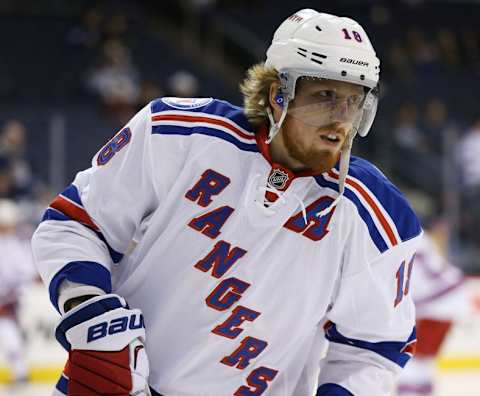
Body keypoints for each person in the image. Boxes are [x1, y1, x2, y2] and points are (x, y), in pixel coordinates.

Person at [32, 9, 422, 396]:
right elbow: (77, 224)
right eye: (325, 96)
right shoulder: (177, 134)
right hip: (114, 383)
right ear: (278, 94)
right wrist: (89, 308)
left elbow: (374, 348)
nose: (341, 119)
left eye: (353, 102)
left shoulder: (378, 214)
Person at [396, 226, 470, 396]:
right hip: (446, 300)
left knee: (412, 363)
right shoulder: (412, 230)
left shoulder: (394, 237)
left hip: (439, 304)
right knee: (420, 362)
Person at [0, 199, 36, 385]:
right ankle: (20, 371)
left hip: (13, 300)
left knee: (11, 336)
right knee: (10, 336)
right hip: (10, 299)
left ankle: (21, 371)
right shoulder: (12, 243)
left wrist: (11, 293)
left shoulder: (14, 244)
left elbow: (26, 272)